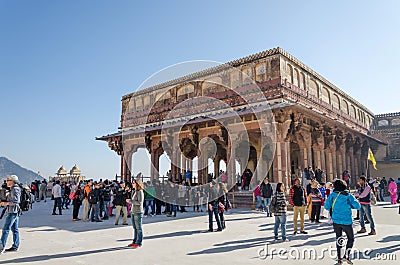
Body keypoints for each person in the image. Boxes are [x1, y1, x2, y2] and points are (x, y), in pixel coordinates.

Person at [324, 179, 361, 265]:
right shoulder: (348, 195)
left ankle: (339, 258)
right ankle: (346, 255)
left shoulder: (332, 195)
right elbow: (357, 206)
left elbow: (326, 206)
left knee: (339, 238)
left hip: (336, 220)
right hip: (347, 220)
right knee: (350, 238)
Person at [0, 175, 21, 254]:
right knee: (15, 229)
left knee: (5, 229)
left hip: (13, 211)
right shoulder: (13, 189)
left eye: (8, 180)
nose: (7, 181)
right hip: (14, 211)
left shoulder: (15, 189)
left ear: (12, 181)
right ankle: (15, 246)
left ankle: (1, 247)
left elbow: (16, 201)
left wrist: (6, 203)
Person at [127, 179, 145, 249]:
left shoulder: (140, 192)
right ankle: (134, 241)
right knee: (135, 228)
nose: (132, 184)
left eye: (134, 183)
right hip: (133, 211)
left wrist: (130, 201)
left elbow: (139, 203)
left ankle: (139, 242)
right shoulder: (134, 191)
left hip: (138, 212)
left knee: (138, 228)